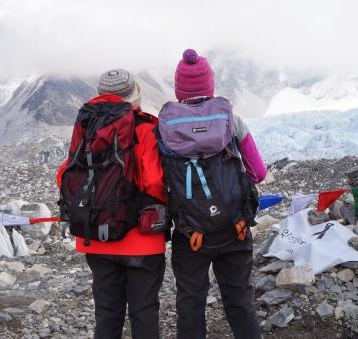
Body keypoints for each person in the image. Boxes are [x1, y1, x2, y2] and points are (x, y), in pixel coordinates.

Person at [159, 49, 267, 339]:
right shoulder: (231, 119)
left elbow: (160, 181)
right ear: (210, 84)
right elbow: (258, 173)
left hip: (189, 232)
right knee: (239, 300)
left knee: (190, 302)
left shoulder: (165, 127)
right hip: (235, 227)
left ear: (178, 87)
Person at [56, 69, 167, 339]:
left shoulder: (88, 126)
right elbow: (154, 181)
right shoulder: (144, 127)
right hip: (141, 240)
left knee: (107, 313)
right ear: (134, 94)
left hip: (97, 235)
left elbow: (64, 175)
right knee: (143, 311)